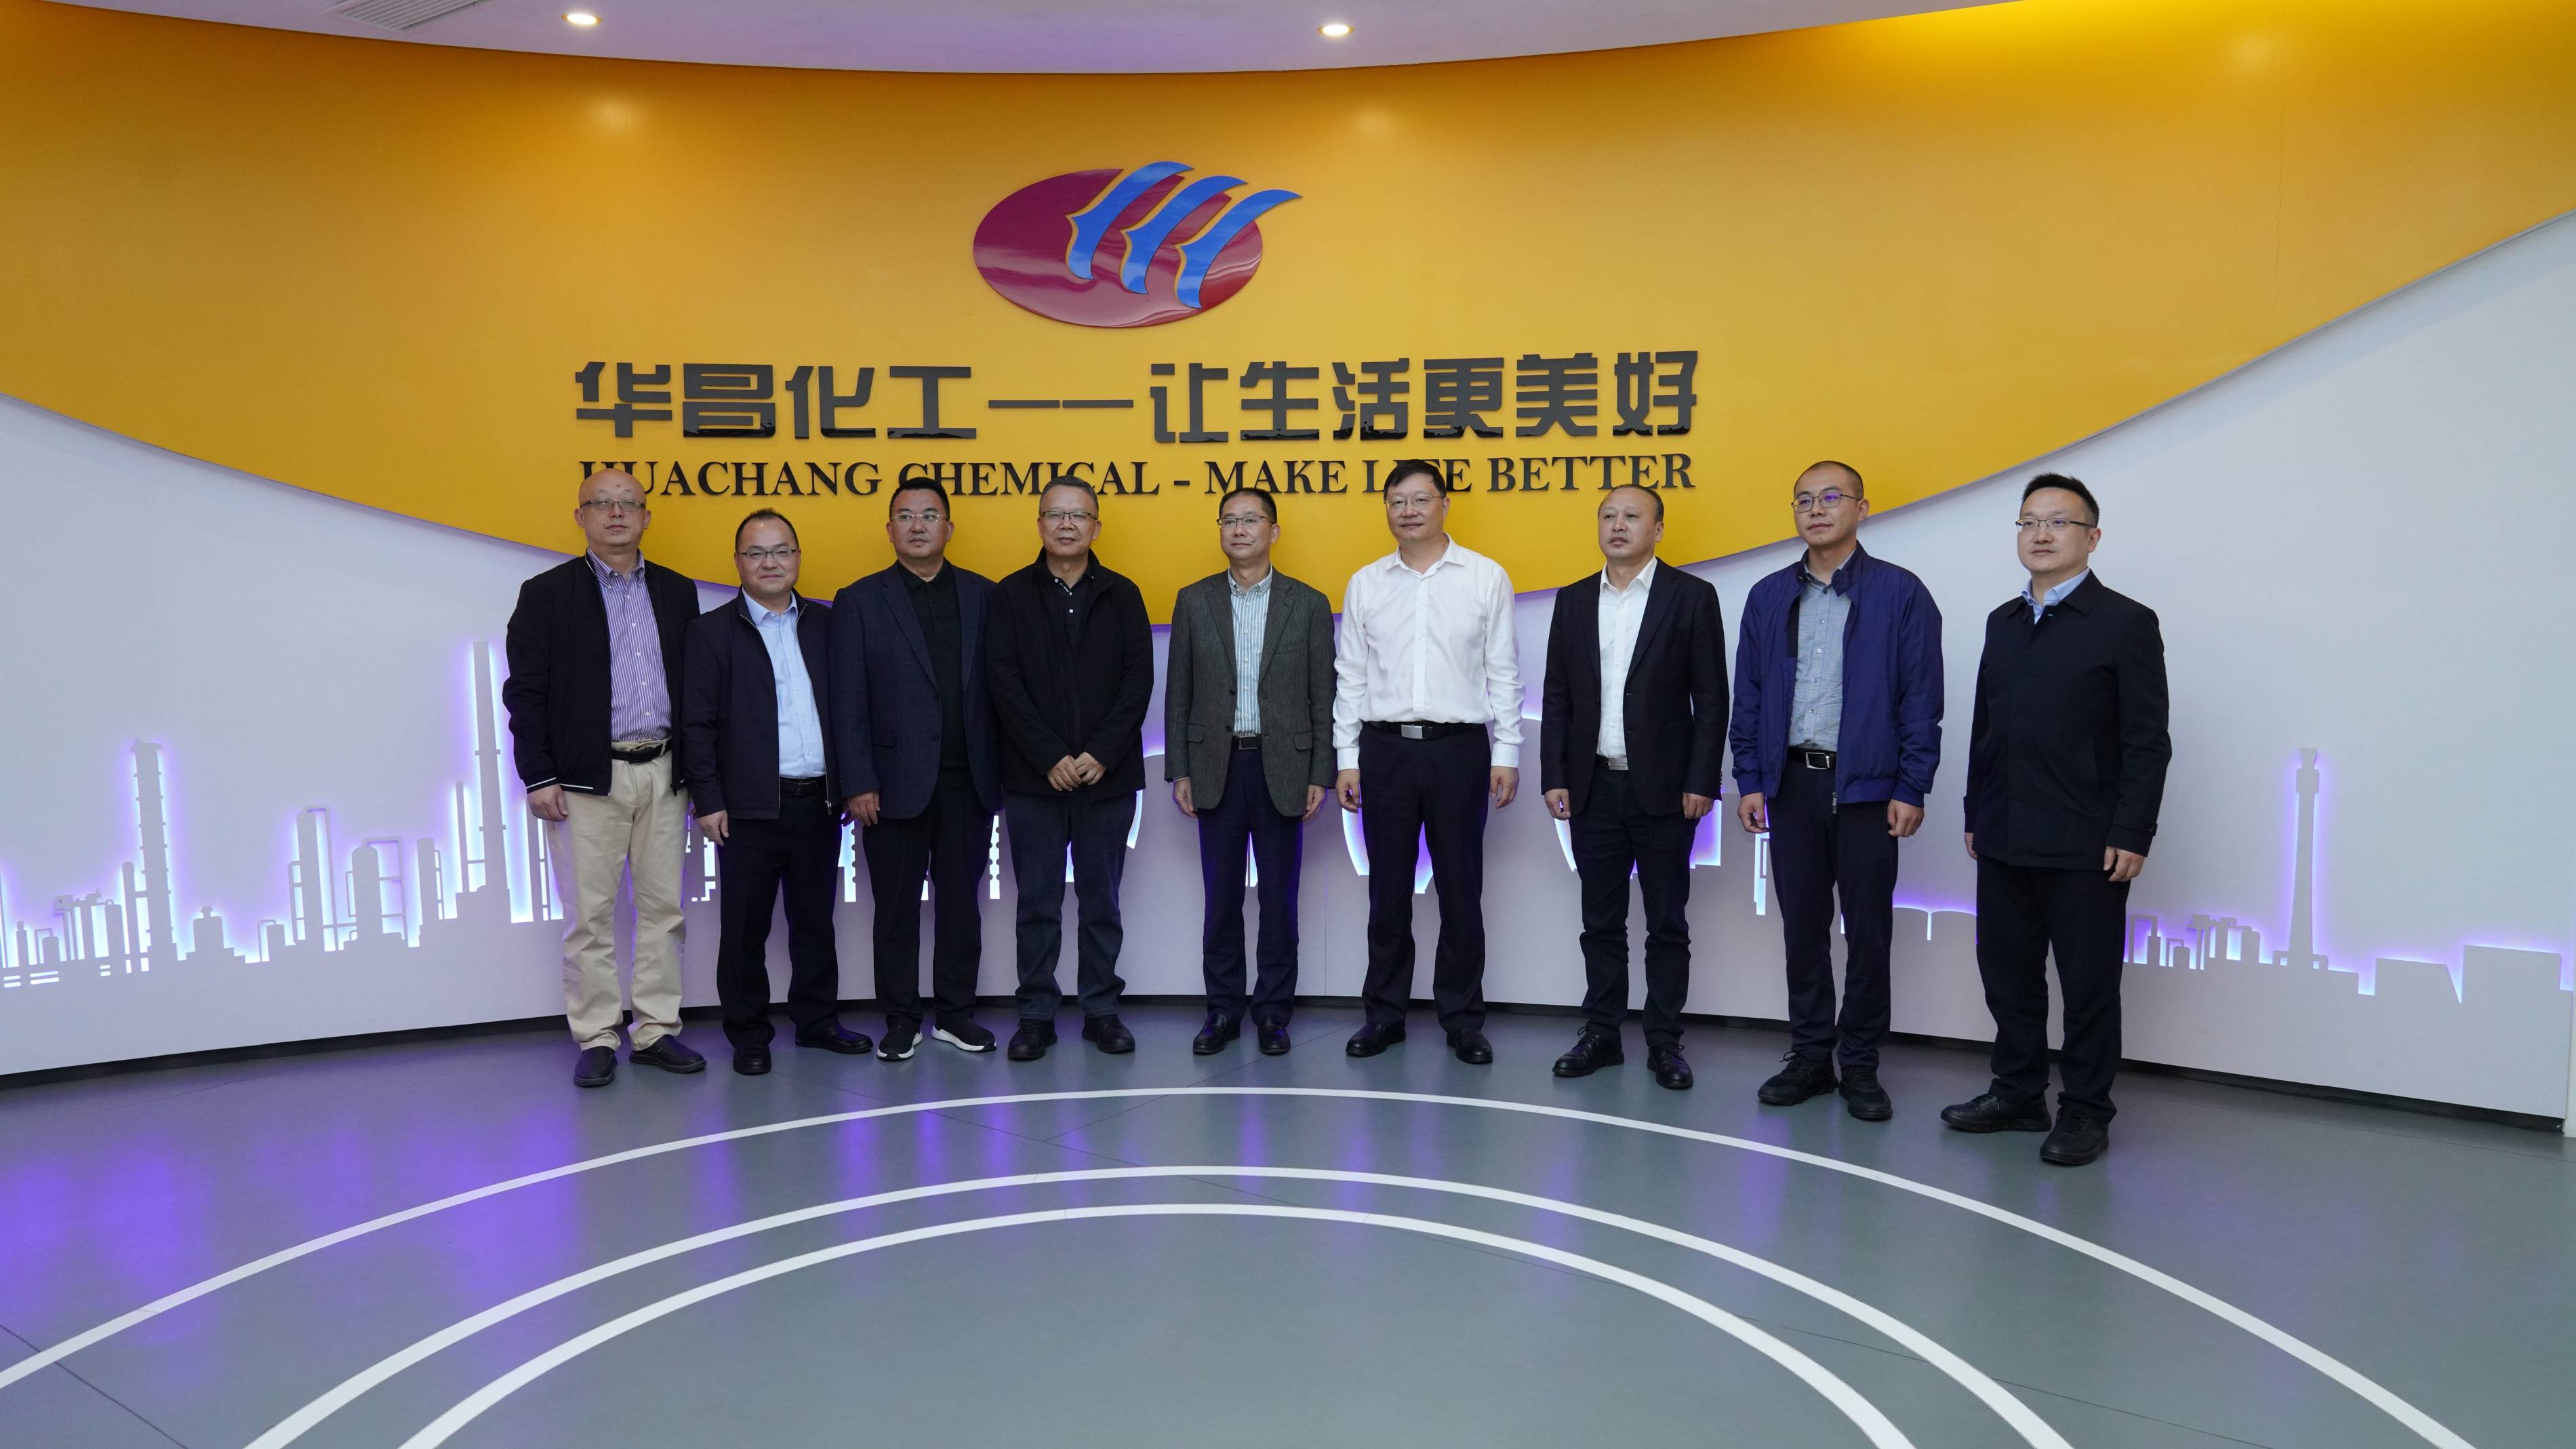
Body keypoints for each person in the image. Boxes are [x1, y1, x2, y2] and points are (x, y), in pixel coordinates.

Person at [1944, 474, 2170, 1167]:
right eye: (2028, 522)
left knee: (2087, 985)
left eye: (2058, 522)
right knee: (2007, 975)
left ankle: (2085, 1110)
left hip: (2086, 841)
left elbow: (2146, 740)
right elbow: (1985, 727)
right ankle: (2017, 1093)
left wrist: (2131, 831)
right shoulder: (2002, 622)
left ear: (2092, 537)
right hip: (2004, 831)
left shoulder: (2125, 622)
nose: (2040, 534)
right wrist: (1975, 811)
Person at [1729, 460, 1942, 1119]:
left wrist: (1911, 784)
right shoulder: (1769, 595)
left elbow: (1921, 698)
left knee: (1868, 931)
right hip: (1791, 782)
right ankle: (1810, 1056)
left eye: (1830, 497)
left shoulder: (1900, 592)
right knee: (1802, 928)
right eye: (1803, 500)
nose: (1815, 509)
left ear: (1861, 508)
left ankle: (1861, 1062)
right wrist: (1750, 777)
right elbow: (1749, 694)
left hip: (1868, 790)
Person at [502, 467, 705, 1088]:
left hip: (665, 771)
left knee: (663, 909)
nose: (616, 513)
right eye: (601, 503)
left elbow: (697, 688)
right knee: (589, 917)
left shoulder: (676, 591)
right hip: (587, 779)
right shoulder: (546, 594)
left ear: (647, 516)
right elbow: (526, 691)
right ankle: (596, 1035)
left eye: (628, 503)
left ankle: (656, 1029)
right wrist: (538, 774)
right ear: (580, 516)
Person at [1333, 459, 1523, 1064]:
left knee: (1461, 892)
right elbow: (1351, 676)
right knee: (1387, 892)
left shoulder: (1485, 577)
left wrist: (1508, 750)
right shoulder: (1366, 582)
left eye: (1420, 499)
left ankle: (1463, 1019)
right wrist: (1347, 757)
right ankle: (1384, 1016)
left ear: (1445, 504)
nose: (1408, 511)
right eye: (1397, 501)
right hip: (1384, 751)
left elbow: (1503, 670)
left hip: (1460, 750)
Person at [1541, 486, 1728, 1090]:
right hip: (1592, 785)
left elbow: (1712, 699)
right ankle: (1602, 1032)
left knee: (1667, 923)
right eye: (1608, 515)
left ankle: (1665, 1040)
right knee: (1600, 922)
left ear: (1659, 528)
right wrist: (1554, 775)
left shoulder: (1691, 596)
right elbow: (1557, 695)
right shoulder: (1573, 599)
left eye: (1631, 516)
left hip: (1667, 792)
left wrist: (1702, 779)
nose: (1618, 525)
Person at [679, 509, 870, 1075]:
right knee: (745, 929)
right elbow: (696, 724)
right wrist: (708, 798)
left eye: (782, 550)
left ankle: (817, 1021)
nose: (770, 563)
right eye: (757, 552)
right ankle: (749, 1034)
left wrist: (851, 784)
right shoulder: (711, 632)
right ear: (738, 561)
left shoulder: (828, 625)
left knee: (814, 923)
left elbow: (852, 709)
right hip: (747, 808)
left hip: (819, 803)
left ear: (798, 557)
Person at [830, 481, 1003, 1061]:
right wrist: (858, 780)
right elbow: (847, 698)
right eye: (905, 516)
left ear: (949, 528)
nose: (918, 525)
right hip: (889, 785)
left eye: (930, 515)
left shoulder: (984, 595)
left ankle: (956, 1014)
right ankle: (901, 1018)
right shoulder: (860, 599)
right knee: (896, 910)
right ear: (890, 530)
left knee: (961, 906)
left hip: (969, 781)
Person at [1165, 487, 1336, 1056]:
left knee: (1279, 900)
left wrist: (1320, 771)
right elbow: (1179, 691)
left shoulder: (1307, 603)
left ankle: (1273, 1012)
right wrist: (1180, 768)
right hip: (1215, 765)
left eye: (1251, 520)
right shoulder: (1193, 600)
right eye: (1229, 520)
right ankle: (1222, 1010)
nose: (1239, 529)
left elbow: (1323, 694)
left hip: (1282, 766)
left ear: (1273, 531)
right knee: (1220, 900)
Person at [986, 479, 1153, 1059]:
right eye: (1055, 514)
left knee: (1102, 900)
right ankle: (1036, 1013)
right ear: (1039, 524)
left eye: (1078, 515)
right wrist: (1048, 756)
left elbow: (1137, 682)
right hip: (1034, 780)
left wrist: (1101, 752)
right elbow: (1003, 682)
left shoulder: (1124, 594)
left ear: (1096, 527)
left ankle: (1101, 1009)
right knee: (1037, 902)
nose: (1066, 524)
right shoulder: (1010, 595)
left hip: (1108, 778)